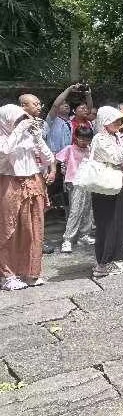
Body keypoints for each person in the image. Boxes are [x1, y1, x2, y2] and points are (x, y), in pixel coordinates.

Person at [0, 104, 53, 290]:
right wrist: (18, 131)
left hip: (33, 182)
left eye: (22, 119)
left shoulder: (28, 137)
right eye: (17, 120)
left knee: (33, 228)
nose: (20, 123)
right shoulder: (4, 138)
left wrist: (38, 137)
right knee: (10, 229)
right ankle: (7, 275)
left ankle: (29, 271)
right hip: (10, 184)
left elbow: (48, 159)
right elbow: (4, 152)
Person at [89, 106, 123, 278]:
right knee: (106, 224)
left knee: (117, 222)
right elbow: (116, 158)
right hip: (105, 186)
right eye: (114, 120)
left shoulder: (116, 137)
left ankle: (109, 259)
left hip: (118, 183)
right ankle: (102, 263)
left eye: (119, 120)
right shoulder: (100, 138)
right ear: (104, 121)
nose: (118, 123)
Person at [56, 126, 96, 252]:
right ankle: (68, 239)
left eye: (87, 139)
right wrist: (63, 169)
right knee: (75, 210)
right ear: (76, 137)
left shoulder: (90, 149)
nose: (84, 142)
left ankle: (84, 234)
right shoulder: (70, 149)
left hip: (88, 181)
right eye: (81, 138)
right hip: (75, 182)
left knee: (88, 209)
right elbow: (56, 159)